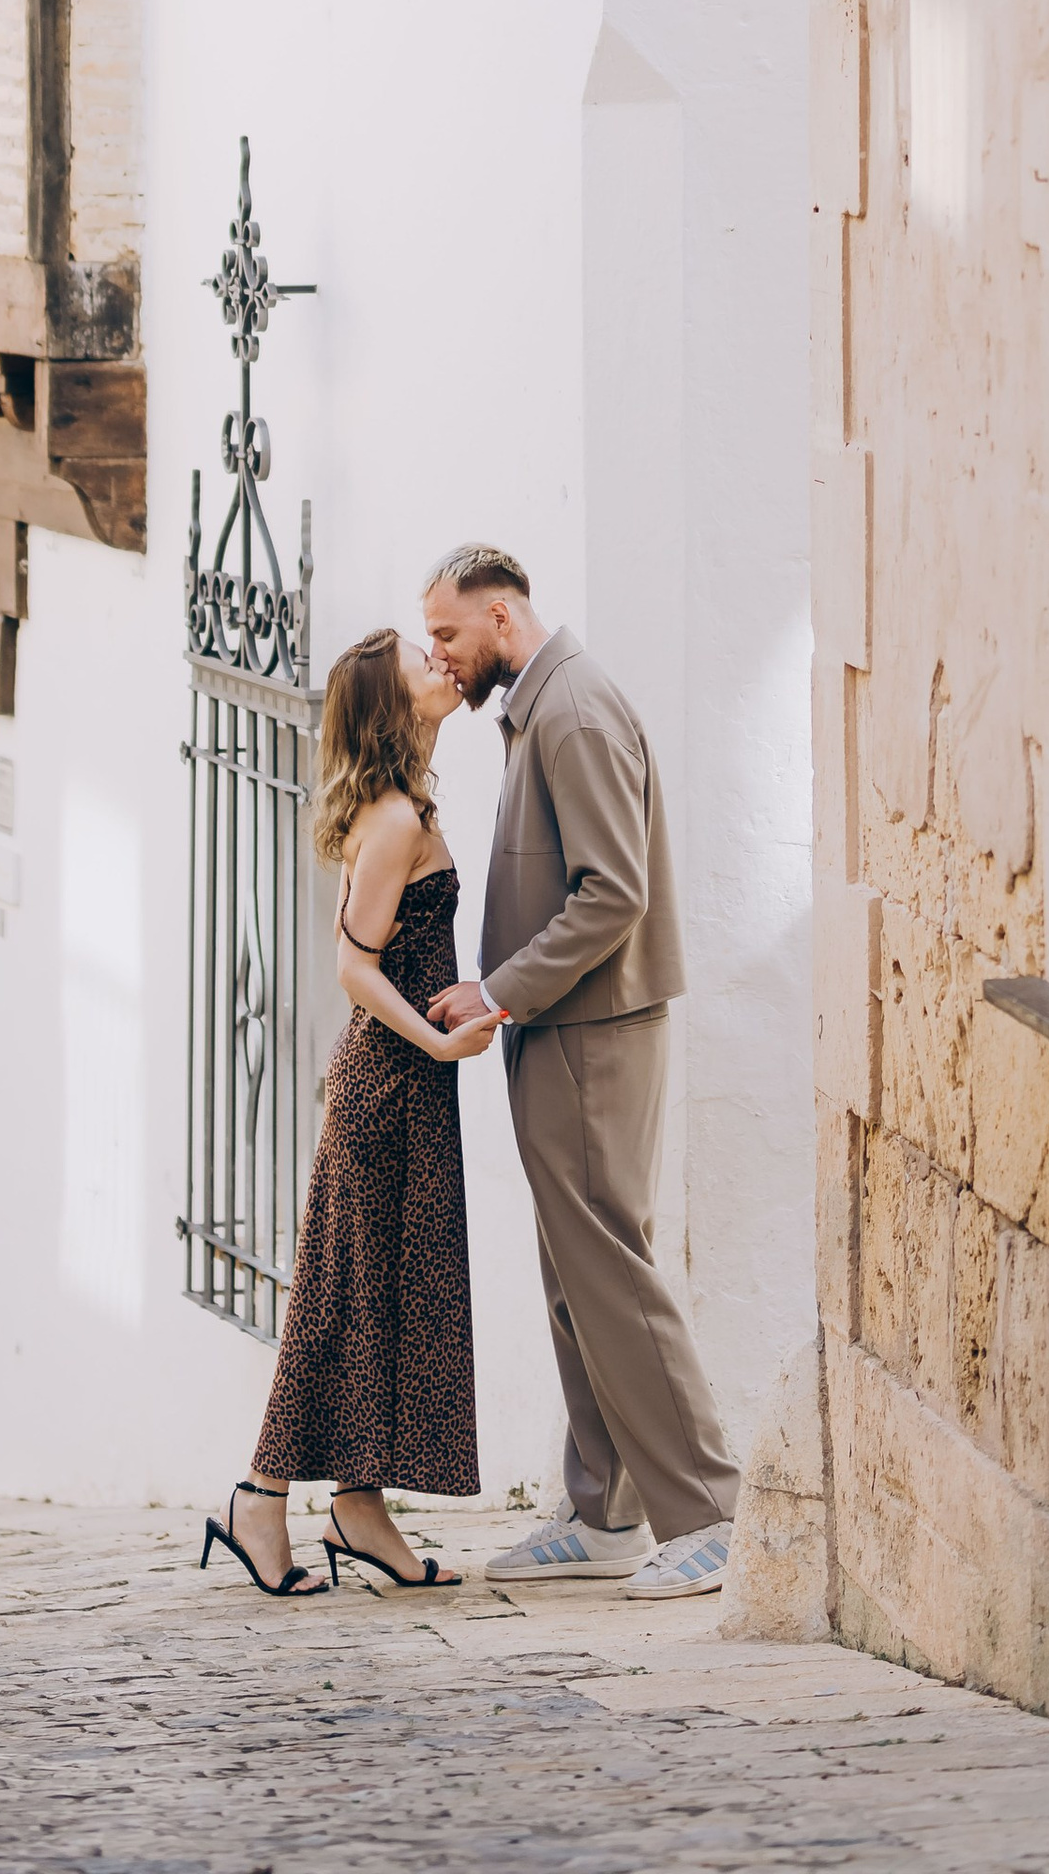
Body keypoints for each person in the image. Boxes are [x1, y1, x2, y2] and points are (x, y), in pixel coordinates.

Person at [420, 544, 737, 1601]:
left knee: (608, 1263)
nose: (441, 657)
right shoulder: (539, 709)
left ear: (503, 617)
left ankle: (711, 1511)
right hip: (558, 1026)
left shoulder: (574, 712)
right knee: (574, 1270)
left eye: (450, 636)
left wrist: (499, 988)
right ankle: (605, 1507)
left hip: (593, 1026)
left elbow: (613, 895)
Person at [201, 627, 499, 1601]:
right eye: (422, 659)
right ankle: (260, 1495)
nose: (440, 663)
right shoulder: (392, 822)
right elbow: (352, 966)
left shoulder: (407, 803)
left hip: (409, 1089)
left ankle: (359, 1508)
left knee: (381, 1306)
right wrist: (438, 1037)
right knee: (340, 1304)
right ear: (387, 703)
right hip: (386, 1089)